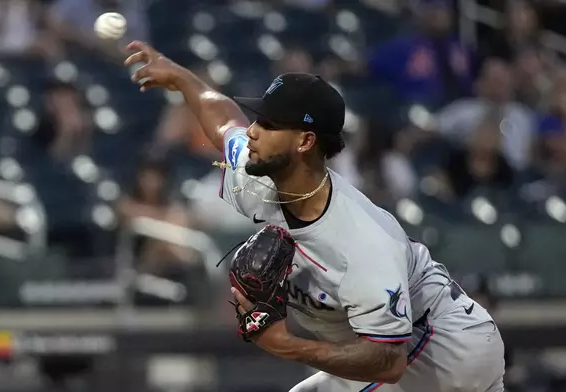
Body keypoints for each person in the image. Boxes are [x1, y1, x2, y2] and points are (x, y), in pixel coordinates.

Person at [124, 41, 505, 392]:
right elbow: (226, 122)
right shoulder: (261, 175)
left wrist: (286, 345)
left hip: (448, 353)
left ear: (305, 142)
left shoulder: (362, 242)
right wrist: (181, 78)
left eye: (269, 125)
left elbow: (389, 362)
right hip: (398, 347)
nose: (254, 132)